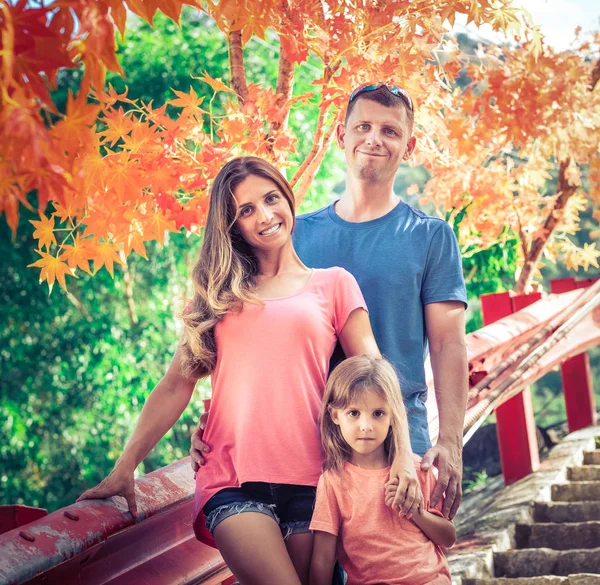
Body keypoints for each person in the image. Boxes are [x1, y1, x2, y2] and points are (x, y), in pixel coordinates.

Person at [78, 157, 421, 585]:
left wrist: (403, 455)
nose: (265, 216)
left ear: (287, 198)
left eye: (270, 199)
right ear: (232, 225)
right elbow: (175, 385)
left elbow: (376, 378)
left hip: (317, 480)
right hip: (230, 475)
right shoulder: (218, 295)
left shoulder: (334, 283)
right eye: (246, 210)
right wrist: (126, 465)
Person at [191, 83, 468, 519]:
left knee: (400, 568)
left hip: (396, 436)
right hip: (307, 445)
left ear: (409, 146)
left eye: (390, 131)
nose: (374, 139)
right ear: (341, 135)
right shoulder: (292, 232)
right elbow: (242, 327)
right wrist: (220, 418)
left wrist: (450, 442)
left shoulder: (431, 237)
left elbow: (450, 345)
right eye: (363, 126)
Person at [309, 355, 456, 585]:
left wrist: (415, 512)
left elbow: (448, 537)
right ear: (335, 415)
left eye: (378, 413)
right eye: (354, 413)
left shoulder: (417, 469)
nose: (366, 426)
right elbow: (323, 558)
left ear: (392, 416)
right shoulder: (333, 481)